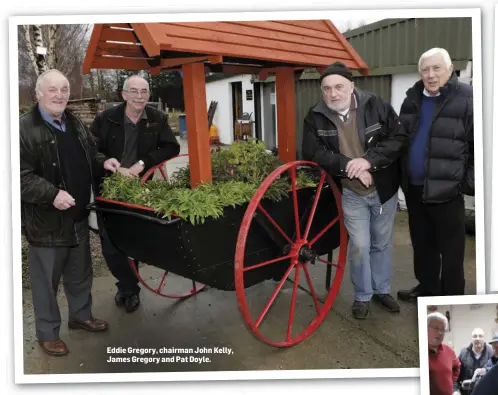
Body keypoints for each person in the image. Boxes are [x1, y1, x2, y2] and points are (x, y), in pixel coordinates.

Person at [20, 69, 120, 357]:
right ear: (39, 93)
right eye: (52, 89)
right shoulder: (23, 129)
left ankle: (80, 315)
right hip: (46, 221)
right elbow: (18, 175)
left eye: (63, 89)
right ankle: (48, 333)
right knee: (45, 281)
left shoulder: (73, 121)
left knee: (80, 273)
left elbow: (90, 153)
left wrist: (104, 162)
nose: (59, 94)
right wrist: (52, 193)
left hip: (76, 216)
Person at [301, 61, 410, 319]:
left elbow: (398, 138)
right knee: (360, 245)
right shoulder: (314, 115)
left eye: (338, 86)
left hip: (383, 189)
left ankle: (381, 290)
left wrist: (369, 161)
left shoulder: (376, 105)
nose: (332, 94)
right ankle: (363, 295)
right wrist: (350, 164)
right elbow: (312, 152)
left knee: (381, 244)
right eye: (326, 89)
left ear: (351, 86)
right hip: (350, 191)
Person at [90, 75, 180, 313]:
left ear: (149, 95)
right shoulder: (105, 119)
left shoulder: (156, 119)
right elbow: (90, 149)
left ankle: (130, 288)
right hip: (109, 188)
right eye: (134, 91)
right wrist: (107, 162)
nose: (139, 96)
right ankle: (128, 286)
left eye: (144, 91)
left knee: (135, 238)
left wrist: (143, 164)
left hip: (140, 189)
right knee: (111, 244)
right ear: (124, 94)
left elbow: (172, 146)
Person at [397, 47, 474, 301]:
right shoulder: (412, 98)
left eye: (436, 68)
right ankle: (428, 287)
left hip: (447, 192)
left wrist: (464, 184)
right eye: (425, 70)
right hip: (415, 189)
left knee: (451, 252)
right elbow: (401, 139)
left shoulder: (468, 98)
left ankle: (451, 299)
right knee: (422, 245)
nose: (430, 75)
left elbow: (481, 146)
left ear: (450, 69)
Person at [427, 312, 460, 395]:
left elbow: (457, 367)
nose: (440, 333)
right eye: (436, 328)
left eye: (442, 329)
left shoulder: (449, 351)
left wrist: (451, 384)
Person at [453, 328, 493, 395]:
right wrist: (455, 391)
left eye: (480, 336)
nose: (477, 339)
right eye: (475, 336)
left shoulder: (491, 353)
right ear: (471, 339)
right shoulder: (463, 353)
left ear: (484, 338)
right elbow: (455, 375)